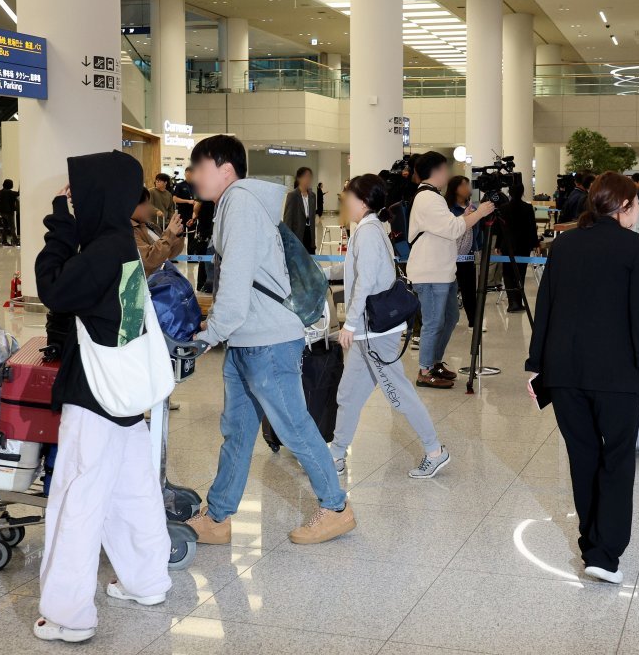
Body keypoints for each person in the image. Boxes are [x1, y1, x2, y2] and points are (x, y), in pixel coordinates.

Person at [186, 134, 355, 546]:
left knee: (295, 427)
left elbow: (237, 281)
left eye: (198, 166)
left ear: (225, 169)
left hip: (267, 340)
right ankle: (220, 517)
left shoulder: (240, 203)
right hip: (248, 339)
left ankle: (336, 508)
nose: (192, 176)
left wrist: (211, 333)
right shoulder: (234, 204)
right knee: (239, 430)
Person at [33, 150, 172, 643]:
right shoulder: (121, 245)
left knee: (78, 496)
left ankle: (68, 614)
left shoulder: (100, 251)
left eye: (80, 190)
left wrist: (58, 223)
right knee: (132, 490)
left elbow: (52, 288)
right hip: (125, 391)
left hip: (93, 395)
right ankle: (146, 580)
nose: (75, 198)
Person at [525, 171, 639, 585]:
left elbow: (545, 305)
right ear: (623, 206)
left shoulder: (564, 244)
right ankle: (606, 553)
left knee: (583, 458)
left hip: (564, 373)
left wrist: (535, 366)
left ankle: (590, 545)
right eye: (637, 204)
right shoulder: (637, 248)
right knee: (617, 460)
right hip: (615, 373)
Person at [326, 174, 450, 477]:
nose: (344, 201)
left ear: (364, 200)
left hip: (375, 333)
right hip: (369, 332)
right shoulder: (368, 229)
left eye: (347, 196)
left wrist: (349, 324)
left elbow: (366, 282)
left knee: (399, 394)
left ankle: (435, 450)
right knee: (349, 394)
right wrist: (326, 273)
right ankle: (337, 454)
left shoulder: (368, 232)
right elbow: (359, 270)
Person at [407, 151, 494, 389]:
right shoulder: (427, 198)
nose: (448, 173)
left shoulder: (433, 197)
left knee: (450, 317)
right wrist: (479, 214)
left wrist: (466, 216)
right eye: (446, 168)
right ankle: (425, 370)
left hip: (442, 270)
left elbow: (449, 226)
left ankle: (434, 362)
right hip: (430, 271)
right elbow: (454, 229)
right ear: (436, 171)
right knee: (434, 321)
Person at [494, 178, 540, 313]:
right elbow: (532, 227)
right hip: (523, 245)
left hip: (507, 244)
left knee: (507, 273)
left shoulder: (503, 208)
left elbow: (501, 228)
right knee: (521, 272)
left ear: (510, 192)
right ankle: (519, 302)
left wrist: (498, 244)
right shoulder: (527, 207)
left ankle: (512, 302)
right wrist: (535, 243)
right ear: (522, 192)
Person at [445, 175, 482, 328]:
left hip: (468, 257)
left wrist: (478, 248)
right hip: (450, 257)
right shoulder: (448, 209)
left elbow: (478, 232)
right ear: (455, 188)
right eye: (464, 185)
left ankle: (474, 321)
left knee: (470, 291)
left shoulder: (474, 208)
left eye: (468, 185)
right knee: (448, 291)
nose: (468, 188)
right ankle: (448, 320)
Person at [131, 188, 185, 276]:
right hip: (146, 285)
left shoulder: (149, 225)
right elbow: (149, 260)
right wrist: (169, 234)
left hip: (159, 282)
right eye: (146, 203)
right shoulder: (128, 231)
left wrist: (176, 234)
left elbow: (169, 254)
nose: (149, 207)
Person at [283, 166, 316, 254]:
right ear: (299, 178)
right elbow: (287, 219)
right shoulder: (292, 195)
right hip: (297, 234)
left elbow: (312, 218)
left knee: (310, 261)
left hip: (310, 234)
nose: (308, 179)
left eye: (310, 177)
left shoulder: (312, 196)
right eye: (306, 176)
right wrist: (288, 239)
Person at [0, 178, 20, 246]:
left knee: (5, 227)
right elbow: (18, 194)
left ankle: (4, 241)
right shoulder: (10, 192)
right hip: (9, 212)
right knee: (12, 227)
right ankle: (16, 241)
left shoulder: (0, 192)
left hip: (2, 212)